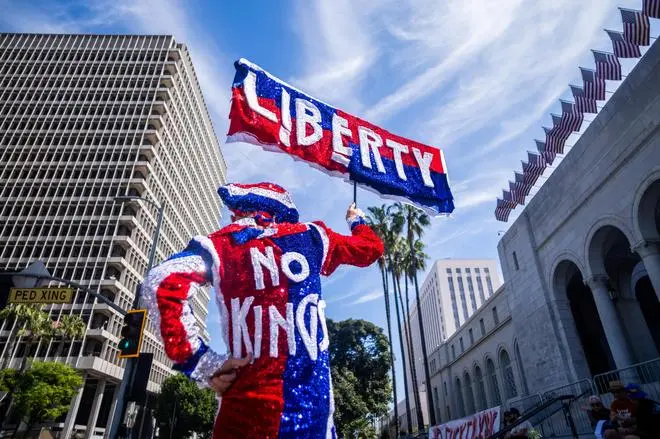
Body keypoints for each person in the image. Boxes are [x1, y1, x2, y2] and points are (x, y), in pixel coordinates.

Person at [143, 182, 384, 438]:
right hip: (313, 418)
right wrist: (357, 221)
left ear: (239, 210)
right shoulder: (313, 237)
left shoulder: (219, 245)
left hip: (243, 416)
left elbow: (161, 281)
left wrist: (201, 362)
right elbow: (371, 249)